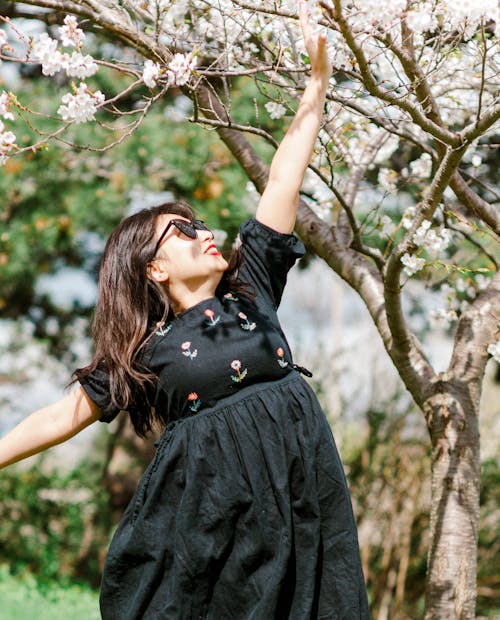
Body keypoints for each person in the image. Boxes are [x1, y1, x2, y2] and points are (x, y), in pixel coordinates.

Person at [0, 4, 370, 618]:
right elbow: (60, 417)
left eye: (199, 224)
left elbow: (282, 179)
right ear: (155, 270)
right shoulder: (145, 355)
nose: (202, 232)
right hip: (213, 514)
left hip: (301, 491)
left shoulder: (250, 292)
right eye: (181, 231)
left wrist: (317, 83)